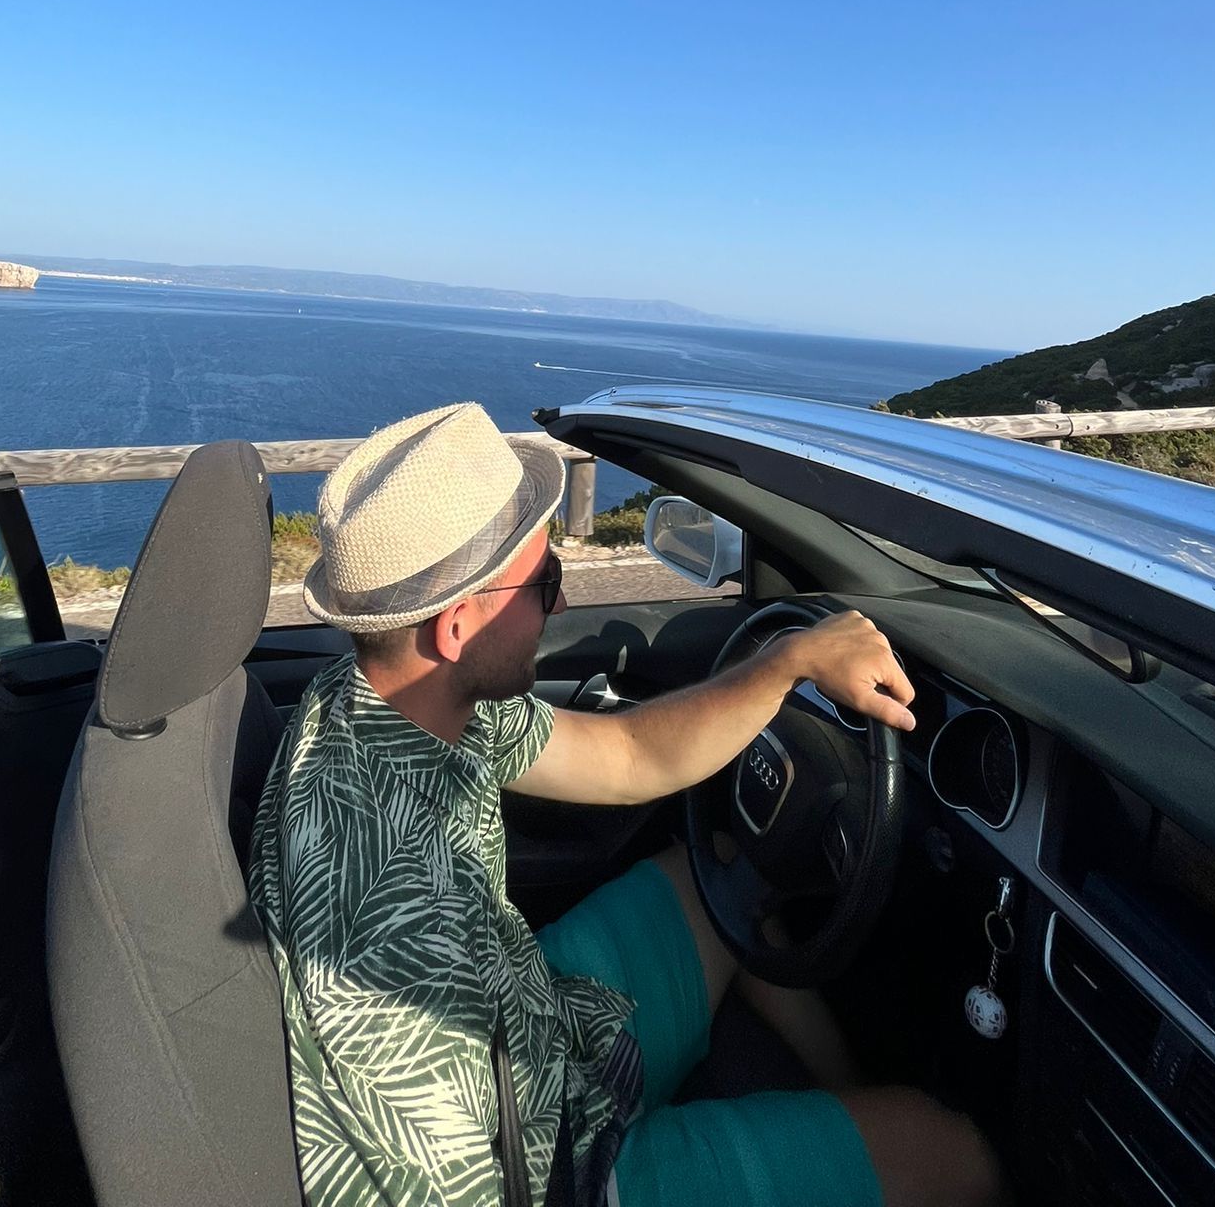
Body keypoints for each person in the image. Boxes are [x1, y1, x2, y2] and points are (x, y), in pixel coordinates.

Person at [249, 403, 1004, 1207]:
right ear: (459, 625)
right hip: (550, 1172)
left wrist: (786, 662)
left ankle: (849, 1114)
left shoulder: (393, 699)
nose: (561, 605)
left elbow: (628, 755)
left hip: (532, 1024)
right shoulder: (384, 921)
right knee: (955, 1155)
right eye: (543, 583)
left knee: (713, 877)